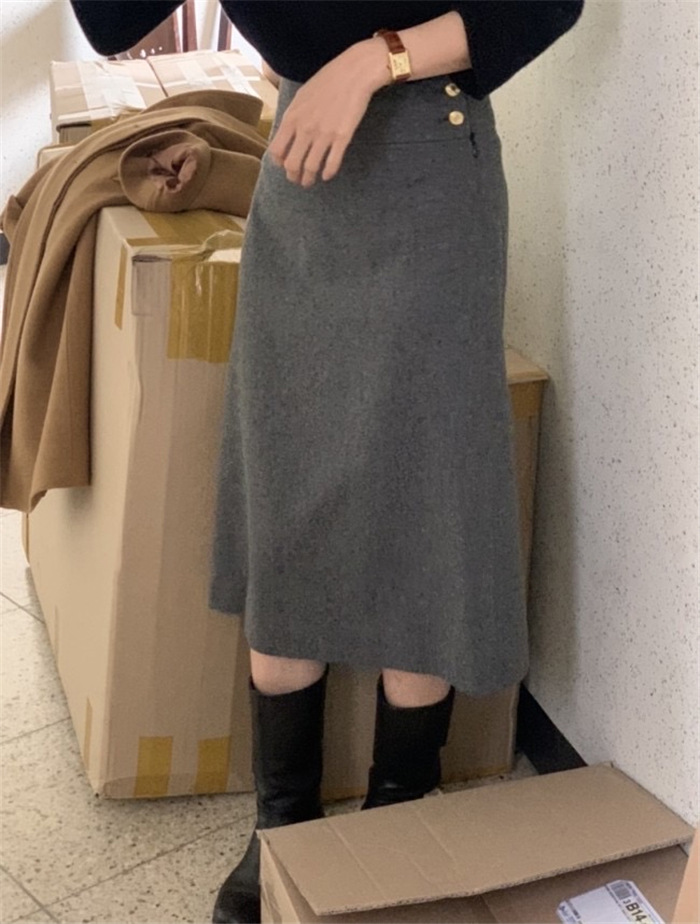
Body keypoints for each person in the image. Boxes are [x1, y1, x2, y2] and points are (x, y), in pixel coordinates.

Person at [70, 3, 585, 922]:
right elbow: (111, 21)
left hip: (433, 153)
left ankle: (398, 815)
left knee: (424, 491)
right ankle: (285, 823)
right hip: (304, 167)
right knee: (288, 478)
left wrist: (377, 60)